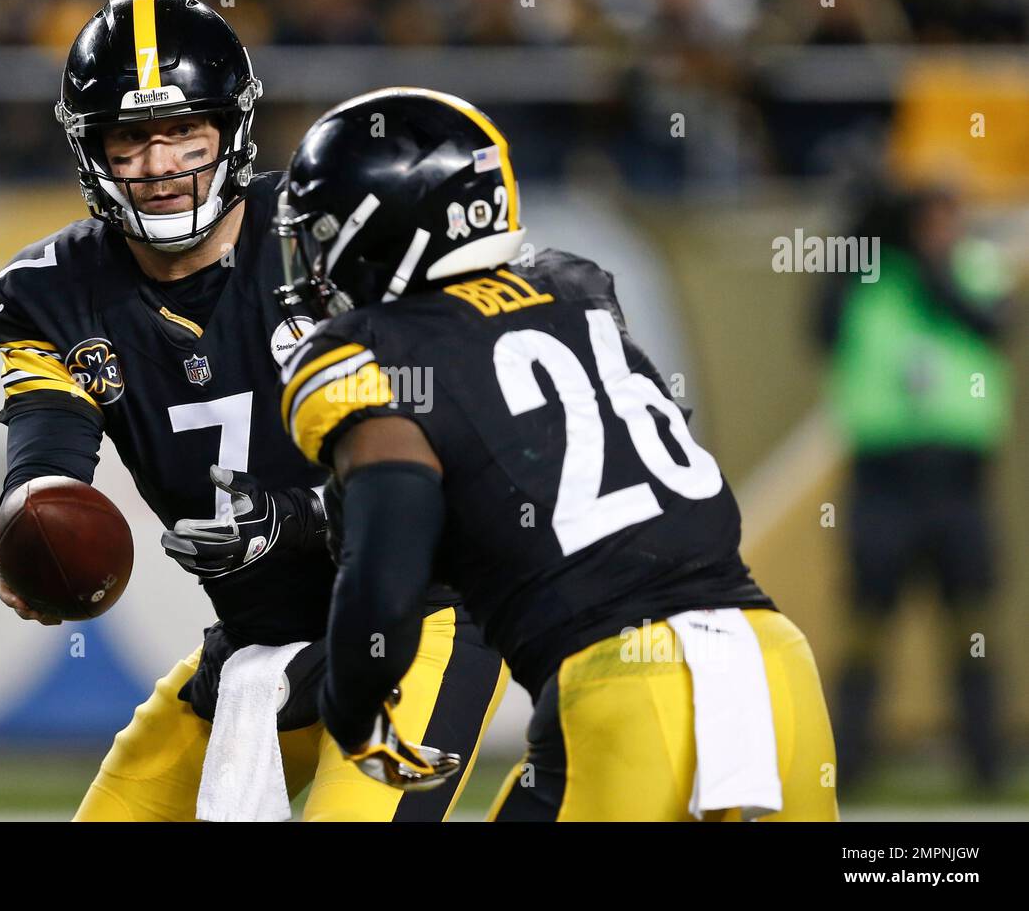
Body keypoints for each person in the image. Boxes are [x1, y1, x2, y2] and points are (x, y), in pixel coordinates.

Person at [0, 0, 506, 821]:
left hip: (416, 619)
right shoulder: (49, 292)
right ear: (91, 150)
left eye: (184, 132)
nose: (159, 167)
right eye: (130, 139)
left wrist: (292, 517)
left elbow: (455, 464)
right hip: (262, 641)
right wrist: (32, 516)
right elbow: (50, 437)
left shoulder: (331, 230)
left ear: (232, 129)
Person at [275, 87, 840, 820]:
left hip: (627, 689)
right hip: (774, 665)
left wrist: (353, 706)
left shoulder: (377, 352)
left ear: (380, 231)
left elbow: (386, 572)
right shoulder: (577, 293)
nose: (312, 265)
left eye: (320, 235)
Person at [815, 183, 1013, 794]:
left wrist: (932, 262)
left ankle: (986, 762)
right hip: (884, 478)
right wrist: (860, 235)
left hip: (958, 480)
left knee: (972, 623)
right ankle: (846, 763)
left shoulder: (977, 266)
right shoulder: (866, 276)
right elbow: (820, 329)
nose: (935, 229)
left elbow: (990, 324)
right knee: (865, 625)